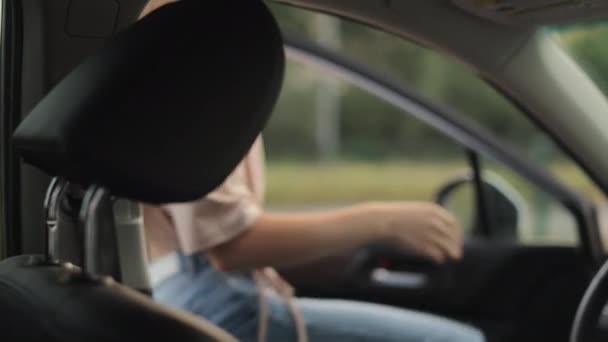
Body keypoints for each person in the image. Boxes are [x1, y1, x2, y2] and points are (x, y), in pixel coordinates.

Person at [143, 136, 484, 342]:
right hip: (216, 301)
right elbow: (231, 246)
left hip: (190, 290)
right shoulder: (199, 69)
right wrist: (384, 221)